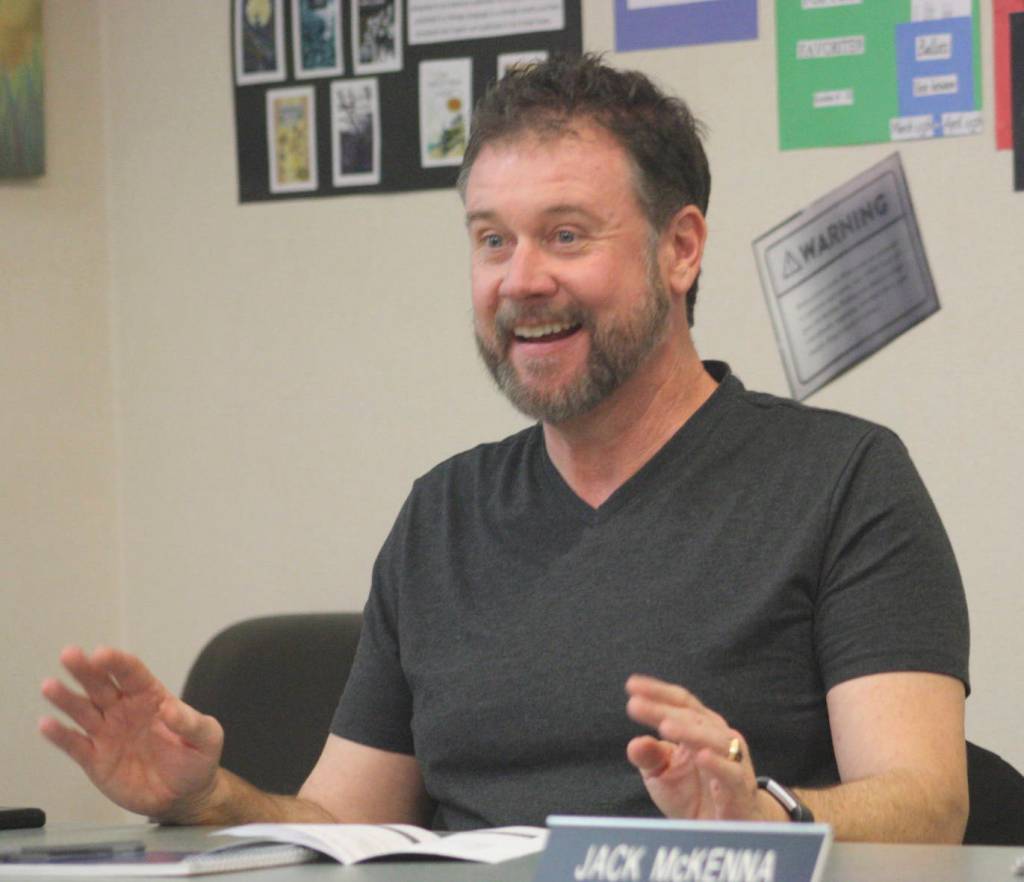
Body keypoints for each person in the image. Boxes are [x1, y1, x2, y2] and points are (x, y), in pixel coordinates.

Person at [40, 54, 969, 842]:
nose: (520, 281)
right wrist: (208, 795)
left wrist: (764, 816)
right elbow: (343, 825)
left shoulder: (843, 480)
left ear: (680, 249)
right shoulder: (442, 513)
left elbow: (930, 806)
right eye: (492, 240)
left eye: (565, 235)